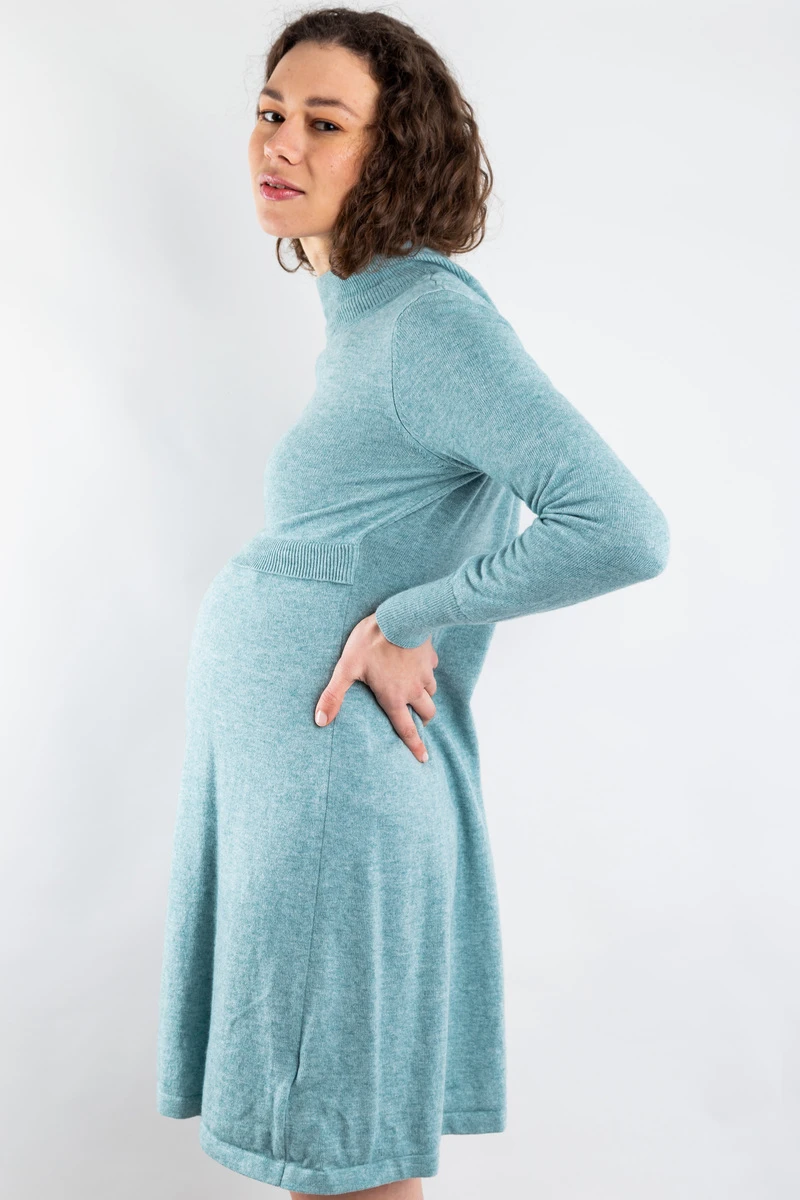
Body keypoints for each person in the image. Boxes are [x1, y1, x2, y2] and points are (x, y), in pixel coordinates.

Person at [156, 8, 670, 1198]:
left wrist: (408, 619)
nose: (280, 143)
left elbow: (619, 526)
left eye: (323, 122)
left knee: (346, 1158)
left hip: (339, 799)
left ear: (392, 150)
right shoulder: (366, 320)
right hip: (304, 796)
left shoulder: (424, 324)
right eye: (270, 112)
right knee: (331, 1155)